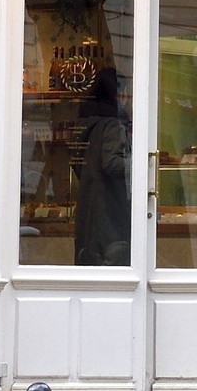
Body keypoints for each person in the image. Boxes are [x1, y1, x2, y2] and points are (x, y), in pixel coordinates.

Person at [73, 65, 131, 264]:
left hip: (89, 204)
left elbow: (77, 163)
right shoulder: (112, 124)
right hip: (110, 208)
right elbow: (112, 163)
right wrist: (139, 165)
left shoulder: (85, 123)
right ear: (118, 93)